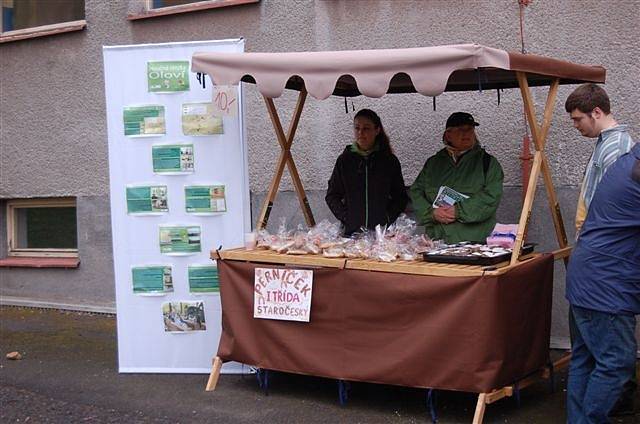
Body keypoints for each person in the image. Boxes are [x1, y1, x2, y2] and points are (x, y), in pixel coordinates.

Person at [564, 83, 637, 417]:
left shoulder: (619, 148)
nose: (576, 126)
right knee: (616, 361)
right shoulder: (617, 149)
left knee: (586, 357)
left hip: (590, 269)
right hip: (604, 279)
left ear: (597, 112)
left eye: (579, 119)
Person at [409, 112, 503, 244]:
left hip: (474, 242)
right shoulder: (433, 163)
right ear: (448, 134)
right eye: (461, 130)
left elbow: (491, 197)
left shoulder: (488, 163)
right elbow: (416, 192)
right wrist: (431, 213)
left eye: (470, 129)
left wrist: (458, 211)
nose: (466, 134)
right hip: (437, 240)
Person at [325, 109, 409, 236]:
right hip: (351, 234)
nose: (360, 133)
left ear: (377, 130)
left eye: (366, 128)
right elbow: (332, 195)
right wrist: (347, 218)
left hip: (382, 235)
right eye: (357, 128)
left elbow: (400, 197)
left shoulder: (389, 161)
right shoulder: (345, 160)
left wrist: (386, 218)